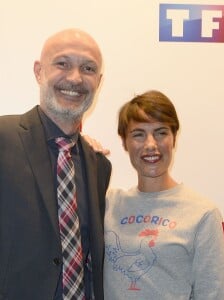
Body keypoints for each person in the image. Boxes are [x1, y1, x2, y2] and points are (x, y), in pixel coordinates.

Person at [0, 28, 111, 300]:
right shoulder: (3, 139)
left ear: (99, 81)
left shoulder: (99, 166)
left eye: (87, 68)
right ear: (39, 71)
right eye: (62, 64)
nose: (75, 78)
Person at [102, 90, 224, 299]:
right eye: (138, 134)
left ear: (174, 138)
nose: (151, 145)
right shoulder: (108, 204)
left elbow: (214, 294)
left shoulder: (202, 214)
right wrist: (78, 151)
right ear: (124, 142)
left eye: (161, 132)